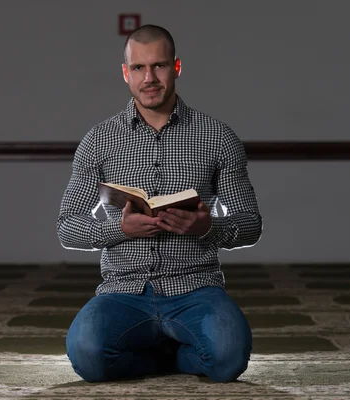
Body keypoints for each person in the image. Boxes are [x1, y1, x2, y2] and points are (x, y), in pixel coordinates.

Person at [57, 24, 263, 383]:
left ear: (177, 67)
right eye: (138, 68)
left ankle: (167, 354)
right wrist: (118, 228)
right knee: (87, 357)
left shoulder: (218, 137)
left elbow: (250, 223)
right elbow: (67, 227)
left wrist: (207, 227)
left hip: (196, 288)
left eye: (159, 66)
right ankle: (170, 356)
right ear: (125, 73)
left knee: (229, 358)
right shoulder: (99, 140)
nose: (149, 77)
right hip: (122, 290)